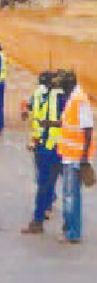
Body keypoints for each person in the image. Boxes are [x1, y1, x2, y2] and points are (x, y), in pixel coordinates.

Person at [21, 71, 65, 234]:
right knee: (47, 182)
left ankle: (41, 216)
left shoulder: (56, 97)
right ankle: (45, 212)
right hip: (47, 144)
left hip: (52, 146)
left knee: (45, 182)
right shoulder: (54, 95)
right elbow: (32, 110)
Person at [55, 70, 95, 243]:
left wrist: (85, 158)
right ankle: (69, 229)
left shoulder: (80, 100)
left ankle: (74, 233)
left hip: (76, 158)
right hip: (68, 155)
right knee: (68, 196)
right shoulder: (72, 98)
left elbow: (88, 130)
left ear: (69, 83)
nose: (60, 87)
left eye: (62, 83)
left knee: (72, 197)